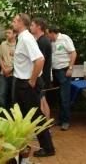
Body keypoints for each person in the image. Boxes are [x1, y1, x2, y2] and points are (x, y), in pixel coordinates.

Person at [12, 13, 55, 157]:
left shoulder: (26, 39)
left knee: (36, 116)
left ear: (20, 24)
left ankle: (48, 148)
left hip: (26, 83)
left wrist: (32, 81)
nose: (12, 23)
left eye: (14, 21)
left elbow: (40, 60)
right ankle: (19, 144)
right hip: (20, 81)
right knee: (19, 115)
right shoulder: (22, 38)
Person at [45, 25, 76, 131]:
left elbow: (73, 53)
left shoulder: (65, 39)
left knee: (64, 97)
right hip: (55, 71)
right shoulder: (52, 43)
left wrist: (70, 68)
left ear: (52, 33)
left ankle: (66, 121)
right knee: (58, 97)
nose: (46, 35)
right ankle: (61, 118)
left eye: (47, 34)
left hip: (64, 71)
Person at [30, 18, 52, 123]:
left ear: (39, 27)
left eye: (32, 25)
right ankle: (46, 127)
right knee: (43, 100)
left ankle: (43, 128)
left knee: (40, 101)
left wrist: (34, 78)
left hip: (41, 77)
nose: (30, 27)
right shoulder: (43, 40)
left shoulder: (42, 42)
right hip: (44, 77)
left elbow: (40, 61)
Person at [0, 27, 16, 111]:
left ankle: (12, 116)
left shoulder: (19, 45)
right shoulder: (3, 44)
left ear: (15, 34)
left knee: (13, 96)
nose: (7, 34)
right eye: (6, 33)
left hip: (15, 74)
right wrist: (4, 69)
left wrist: (11, 69)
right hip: (3, 73)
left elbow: (21, 61)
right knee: (2, 95)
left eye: (9, 33)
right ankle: (3, 115)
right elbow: (0, 58)